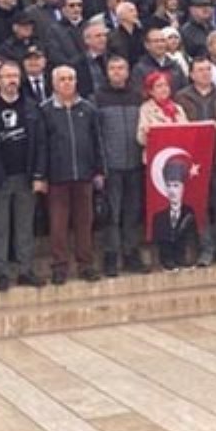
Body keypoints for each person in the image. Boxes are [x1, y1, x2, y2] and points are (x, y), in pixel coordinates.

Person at [33, 65, 105, 284]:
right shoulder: (45, 110)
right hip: (57, 177)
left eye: (71, 78)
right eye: (62, 79)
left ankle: (85, 264)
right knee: (58, 224)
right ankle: (60, 266)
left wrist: (99, 170)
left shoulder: (88, 109)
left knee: (85, 222)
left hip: (84, 174)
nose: (67, 83)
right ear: (53, 83)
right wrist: (40, 176)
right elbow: (41, 145)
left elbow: (97, 142)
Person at [0, 59, 44, 290]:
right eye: (7, 76)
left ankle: (25, 270)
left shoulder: (31, 107)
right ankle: (2, 273)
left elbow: (40, 144)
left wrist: (39, 175)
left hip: (25, 176)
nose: (11, 81)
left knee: (25, 226)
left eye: (15, 76)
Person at [175, 56, 216, 266]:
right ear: (192, 74)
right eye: (200, 70)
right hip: (195, 163)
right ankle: (205, 249)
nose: (205, 73)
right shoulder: (182, 98)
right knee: (199, 208)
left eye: (207, 69)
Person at [94, 55, 149, 277]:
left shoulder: (138, 96)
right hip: (111, 166)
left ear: (128, 72)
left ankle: (131, 253)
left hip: (135, 164)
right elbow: (95, 135)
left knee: (132, 213)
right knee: (112, 215)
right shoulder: (98, 97)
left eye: (121, 68)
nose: (117, 72)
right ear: (107, 72)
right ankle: (111, 256)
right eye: (113, 69)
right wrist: (100, 166)